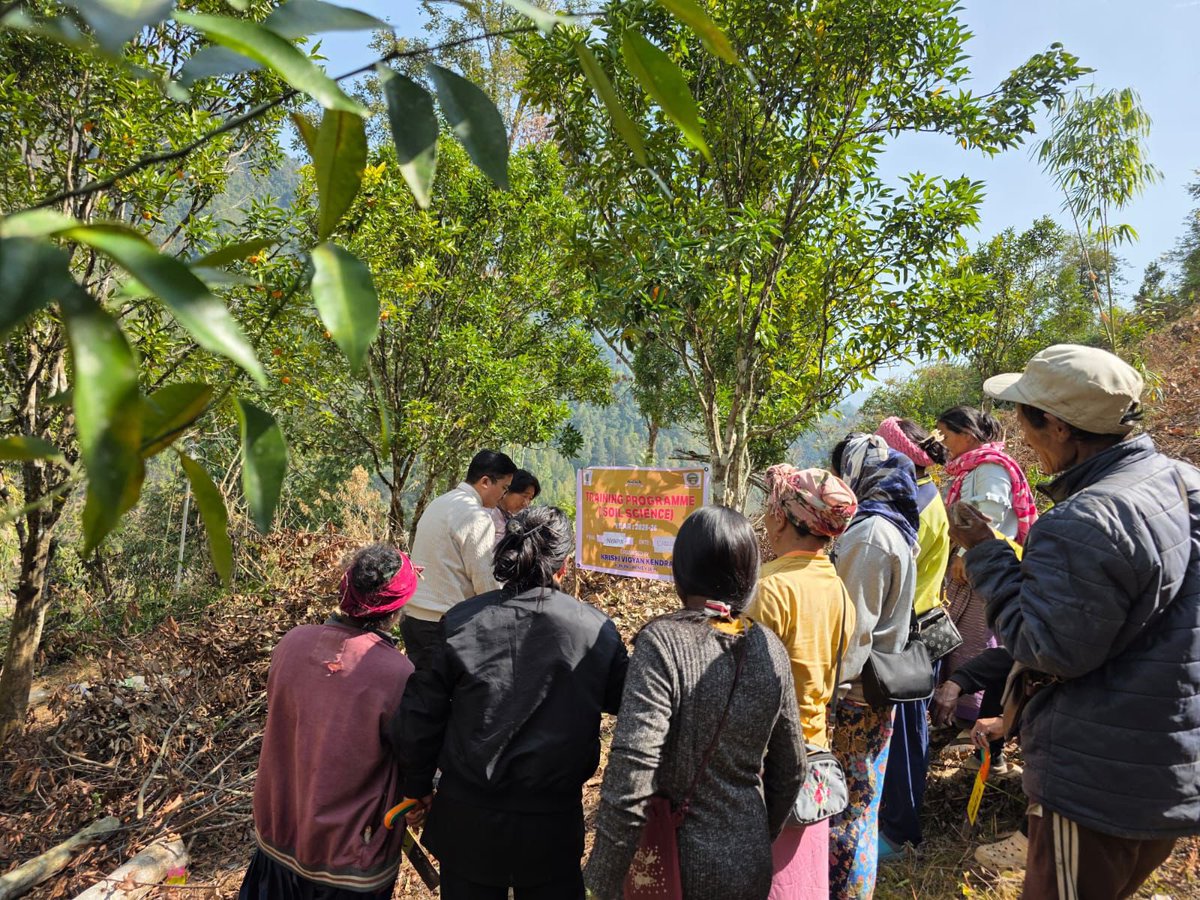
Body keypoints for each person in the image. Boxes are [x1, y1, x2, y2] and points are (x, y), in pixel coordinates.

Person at [949, 344, 1200, 900]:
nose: (1019, 431)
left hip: (1100, 778)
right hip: (1171, 756)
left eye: (1025, 416)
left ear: (1057, 426)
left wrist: (986, 554)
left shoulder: (1084, 519)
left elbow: (1045, 647)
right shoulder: (1183, 482)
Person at [393, 506, 628, 900]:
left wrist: (415, 785)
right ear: (565, 566)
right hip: (552, 825)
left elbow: (421, 712)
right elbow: (625, 700)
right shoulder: (594, 630)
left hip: (468, 821)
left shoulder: (461, 621)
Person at [585, 506, 806, 900]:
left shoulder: (663, 644)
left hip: (674, 865)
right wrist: (753, 830)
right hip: (749, 859)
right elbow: (791, 769)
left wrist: (599, 882)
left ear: (681, 570)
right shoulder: (769, 646)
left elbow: (632, 774)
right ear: (750, 573)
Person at [240, 544, 418, 899]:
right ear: (397, 611)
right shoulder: (398, 673)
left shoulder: (291, 644)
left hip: (278, 835)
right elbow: (413, 755)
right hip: (349, 857)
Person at [747, 465, 858, 900]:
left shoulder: (769, 590)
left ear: (779, 516)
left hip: (766, 763)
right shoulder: (837, 589)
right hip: (814, 758)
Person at [828, 433, 920, 899]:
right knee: (861, 808)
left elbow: (852, 632)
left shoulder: (869, 535)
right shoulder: (895, 524)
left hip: (856, 699)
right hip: (876, 694)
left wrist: (826, 692)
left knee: (845, 811)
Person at [935, 405, 1037, 745]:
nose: (944, 441)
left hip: (987, 566)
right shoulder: (973, 467)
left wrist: (966, 555)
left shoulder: (990, 467)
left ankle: (976, 719)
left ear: (967, 434)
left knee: (979, 642)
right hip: (976, 565)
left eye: (947, 434)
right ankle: (963, 717)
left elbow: (989, 515)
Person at [873, 417, 951, 856]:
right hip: (926, 624)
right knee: (910, 728)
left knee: (904, 733)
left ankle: (900, 831)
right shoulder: (927, 494)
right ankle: (898, 816)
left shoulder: (912, 506)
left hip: (909, 632)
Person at [403, 449, 516, 668]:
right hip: (444, 622)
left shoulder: (439, 503)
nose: (503, 496)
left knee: (423, 691)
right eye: (503, 488)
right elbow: (485, 582)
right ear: (485, 481)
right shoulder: (476, 516)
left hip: (413, 617)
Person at [489, 468, 541, 547]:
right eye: (524, 496)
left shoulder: (513, 518)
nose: (526, 503)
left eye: (530, 498)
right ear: (508, 490)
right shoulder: (489, 515)